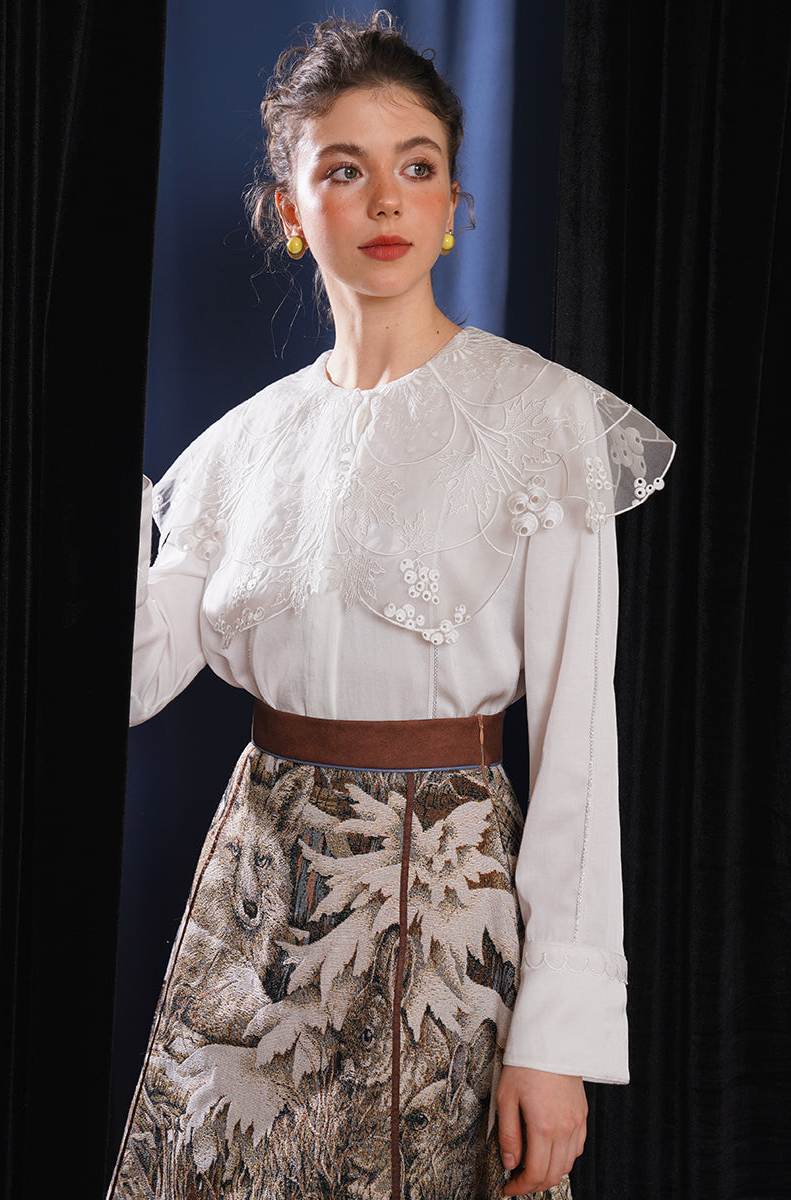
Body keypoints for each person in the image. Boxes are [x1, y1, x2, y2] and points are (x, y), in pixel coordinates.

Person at [108, 14, 675, 1200]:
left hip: (447, 914)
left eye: (416, 166)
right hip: (252, 914)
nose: (385, 201)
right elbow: (132, 680)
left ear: (454, 202)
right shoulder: (238, 449)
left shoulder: (541, 421)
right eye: (343, 170)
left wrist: (556, 1040)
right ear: (289, 209)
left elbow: (578, 747)